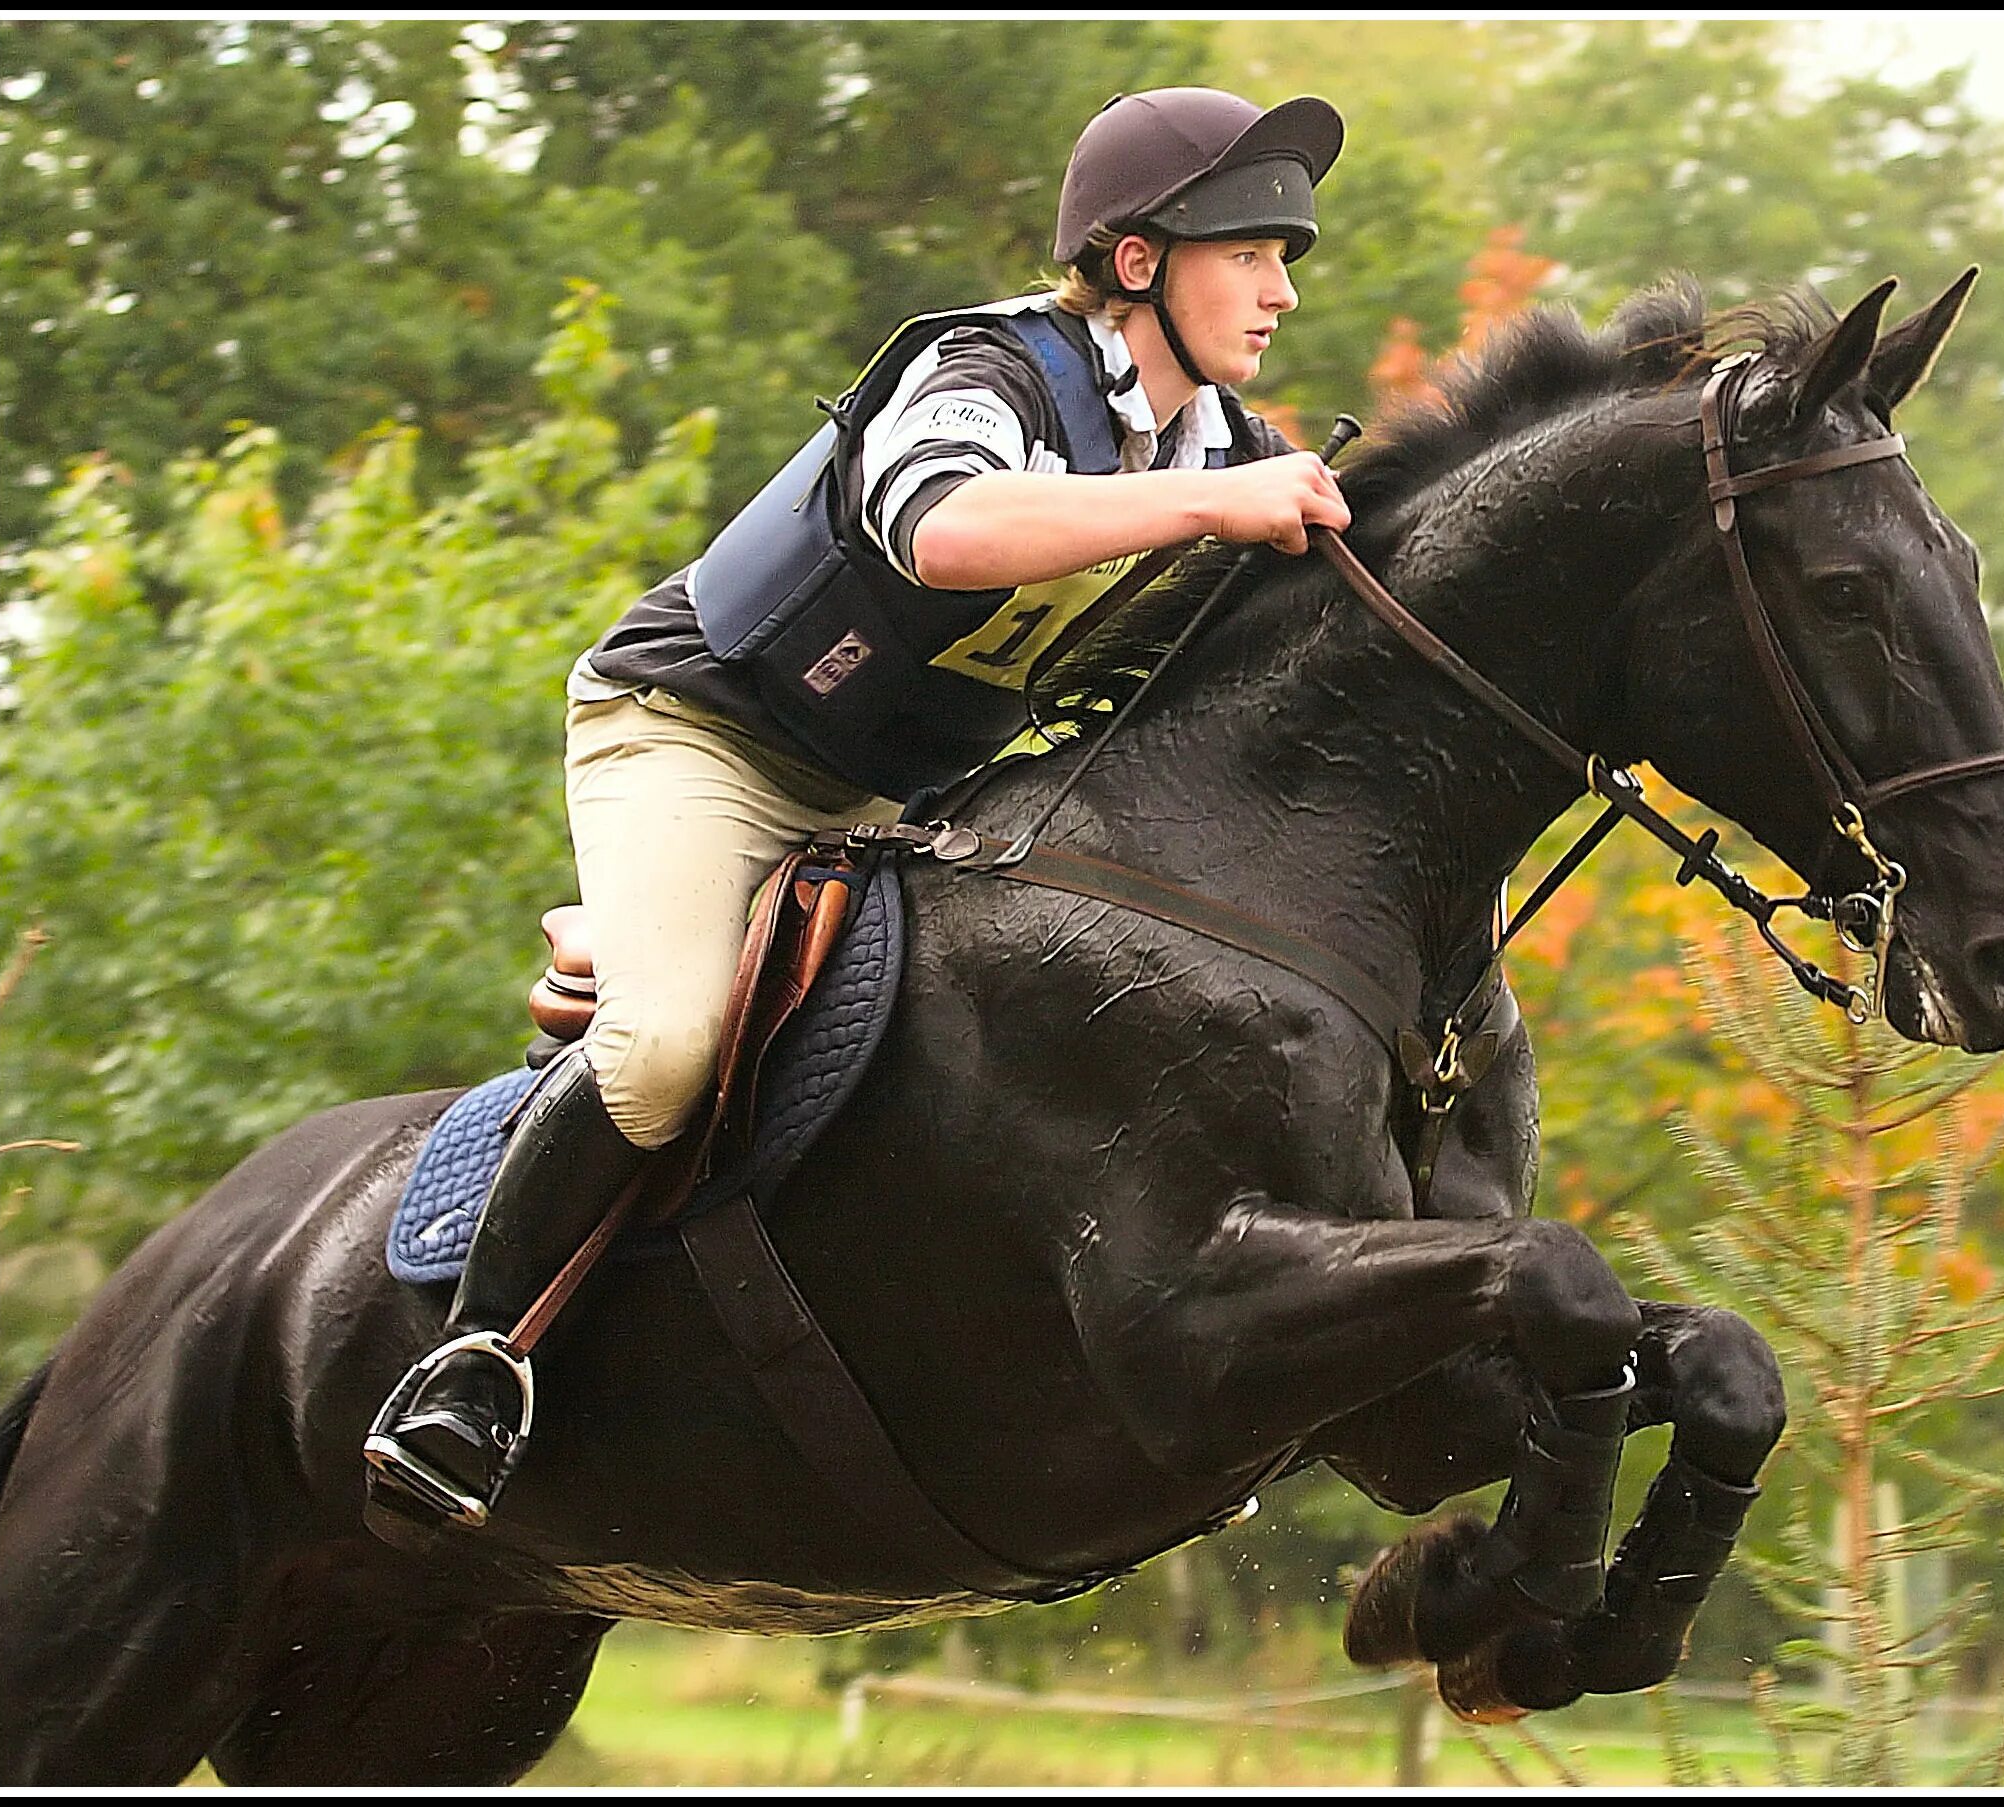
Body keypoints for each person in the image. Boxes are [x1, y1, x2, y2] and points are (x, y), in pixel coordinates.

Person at [364, 87, 1355, 1525]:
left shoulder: (1222, 441)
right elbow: (947, 530)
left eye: (1288, 261)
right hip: (706, 736)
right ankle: (473, 1365)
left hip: (911, 789)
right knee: (664, 1051)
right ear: (1139, 260)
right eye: (1252, 254)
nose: (1279, 292)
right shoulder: (987, 370)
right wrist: (1212, 511)